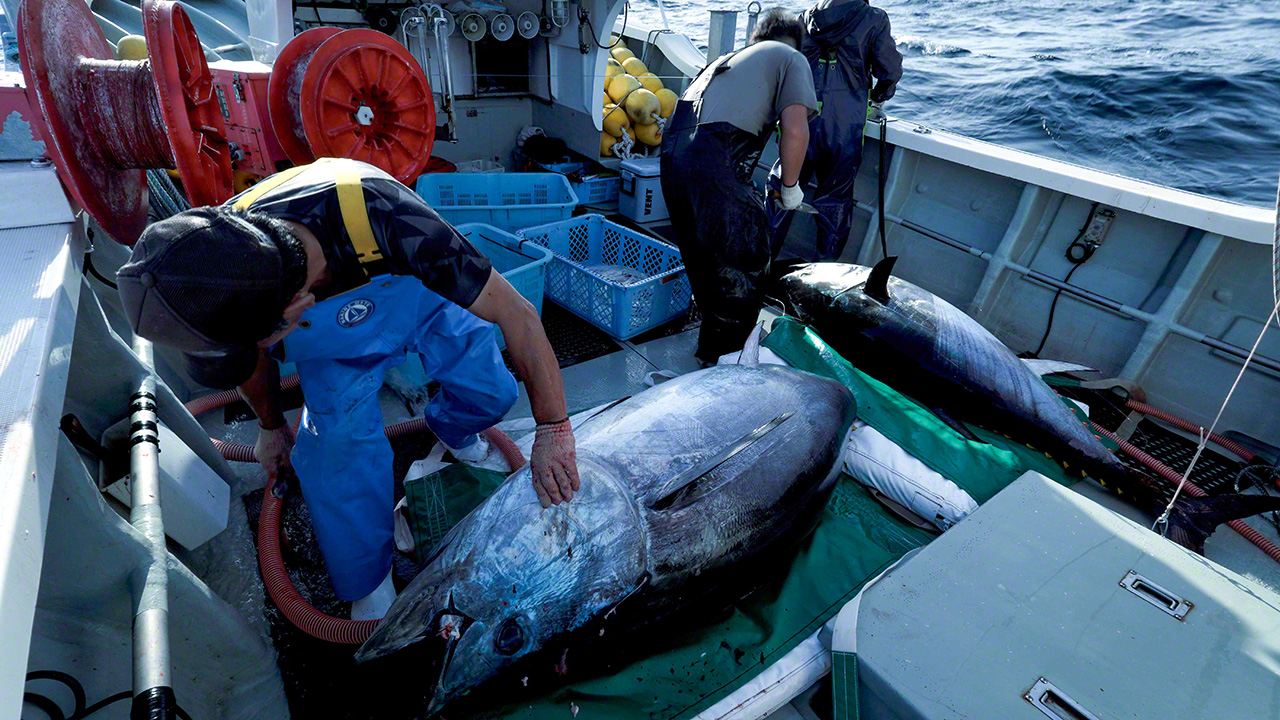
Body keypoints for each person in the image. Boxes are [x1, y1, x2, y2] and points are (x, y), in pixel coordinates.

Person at [116, 158, 579, 620]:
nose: (257, 351)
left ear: (296, 303)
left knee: (492, 391)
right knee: (336, 453)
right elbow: (251, 355)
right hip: (334, 349)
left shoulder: (394, 218)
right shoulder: (222, 261)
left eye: (260, 341)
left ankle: (454, 430)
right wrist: (272, 427)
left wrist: (554, 428)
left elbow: (517, 314)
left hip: (418, 297)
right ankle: (369, 579)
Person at [660, 8, 819, 365]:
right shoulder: (791, 57)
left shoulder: (728, 60)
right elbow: (795, 129)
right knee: (745, 262)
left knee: (707, 261)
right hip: (715, 157)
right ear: (795, 43)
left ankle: (710, 352)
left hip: (672, 157)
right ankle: (727, 369)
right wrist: (790, 188)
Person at [768, 0, 902, 261]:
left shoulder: (804, 18)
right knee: (834, 202)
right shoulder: (874, 18)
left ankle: (758, 271)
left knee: (781, 189)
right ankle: (821, 283)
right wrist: (880, 94)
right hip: (844, 127)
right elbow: (890, 70)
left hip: (801, 120)